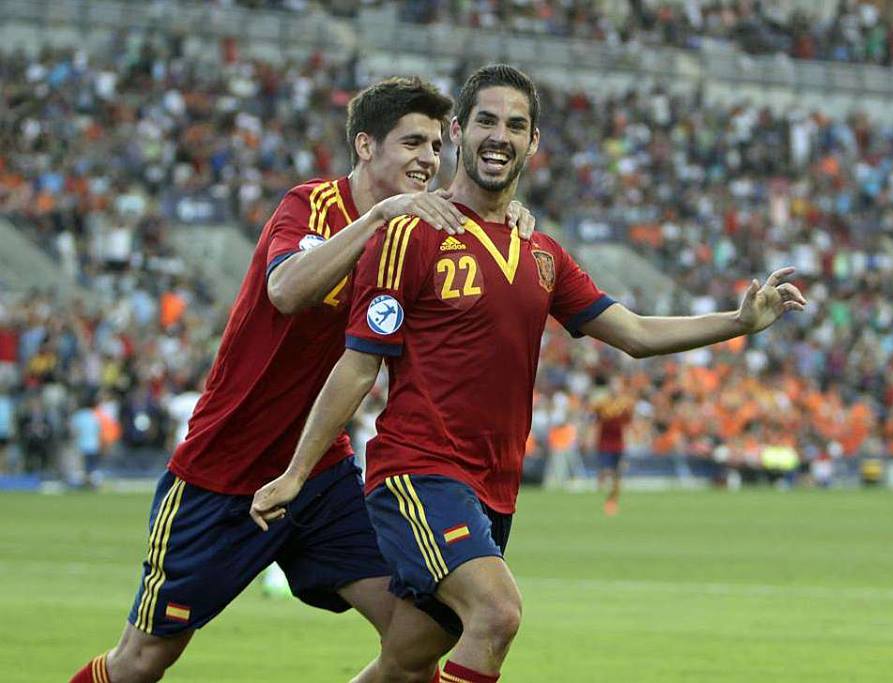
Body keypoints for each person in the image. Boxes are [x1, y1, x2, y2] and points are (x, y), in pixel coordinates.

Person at [251, 64, 806, 683]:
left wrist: (738, 320)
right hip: (419, 472)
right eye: (486, 120)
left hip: (495, 488)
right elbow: (358, 366)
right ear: (458, 131)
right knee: (497, 613)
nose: (500, 135)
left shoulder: (542, 254)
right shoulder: (408, 234)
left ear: (533, 142)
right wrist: (296, 472)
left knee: (406, 662)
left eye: (517, 125)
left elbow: (636, 334)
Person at [68, 76, 536, 683]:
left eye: (432, 146)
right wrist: (377, 218)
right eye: (411, 143)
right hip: (224, 469)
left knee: (415, 641)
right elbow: (286, 291)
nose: (427, 160)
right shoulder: (311, 206)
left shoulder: (417, 231)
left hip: (318, 473)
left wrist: (504, 215)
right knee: (142, 662)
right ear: (366, 146)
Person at [587, 375, 634, 515]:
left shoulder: (625, 403)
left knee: (617, 474)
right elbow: (593, 420)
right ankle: (602, 495)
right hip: (604, 443)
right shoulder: (601, 404)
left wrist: (629, 439)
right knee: (607, 471)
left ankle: (611, 501)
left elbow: (628, 423)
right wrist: (590, 437)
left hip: (618, 444)